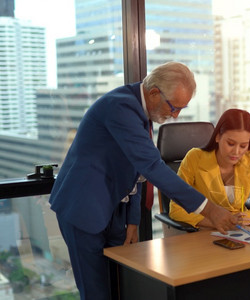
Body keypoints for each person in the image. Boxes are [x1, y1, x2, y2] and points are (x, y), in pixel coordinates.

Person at [48, 62, 237, 300]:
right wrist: (210, 209)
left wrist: (133, 220)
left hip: (115, 209)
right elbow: (151, 166)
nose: (175, 116)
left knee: (122, 287)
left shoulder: (142, 110)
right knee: (97, 292)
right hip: (83, 208)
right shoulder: (120, 107)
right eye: (174, 107)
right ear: (154, 92)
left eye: (182, 108)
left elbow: (136, 171)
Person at [169, 109, 250, 228]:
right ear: (217, 137)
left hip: (238, 231)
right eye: (230, 144)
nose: (236, 152)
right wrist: (214, 222)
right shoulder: (195, 157)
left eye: (243, 146)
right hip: (202, 230)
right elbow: (176, 210)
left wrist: (239, 219)